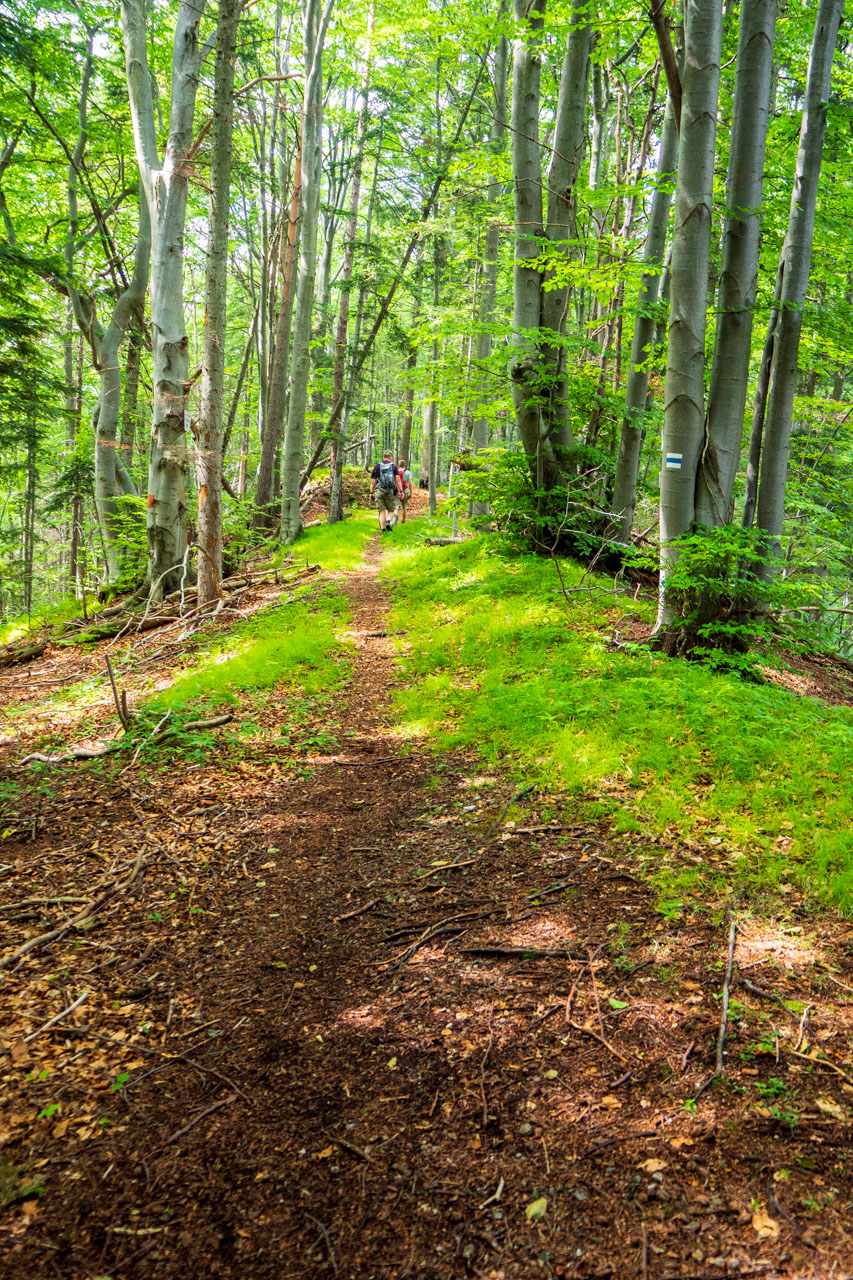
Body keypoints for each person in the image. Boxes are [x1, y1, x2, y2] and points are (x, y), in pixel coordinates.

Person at [369, 451, 402, 532]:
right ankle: (388, 521)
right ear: (390, 456)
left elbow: (373, 482)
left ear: (384, 456)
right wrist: (400, 491)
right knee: (391, 510)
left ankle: (383, 530)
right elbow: (397, 479)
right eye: (392, 457)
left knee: (382, 511)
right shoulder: (393, 466)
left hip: (379, 491)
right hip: (390, 491)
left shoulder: (377, 466)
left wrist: (371, 493)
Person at [395, 457, 413, 524]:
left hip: (397, 491)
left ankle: (394, 520)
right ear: (404, 465)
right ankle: (403, 520)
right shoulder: (408, 472)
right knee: (404, 506)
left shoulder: (395, 471)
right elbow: (410, 483)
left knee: (396, 506)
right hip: (405, 491)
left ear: (398, 465)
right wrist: (411, 493)